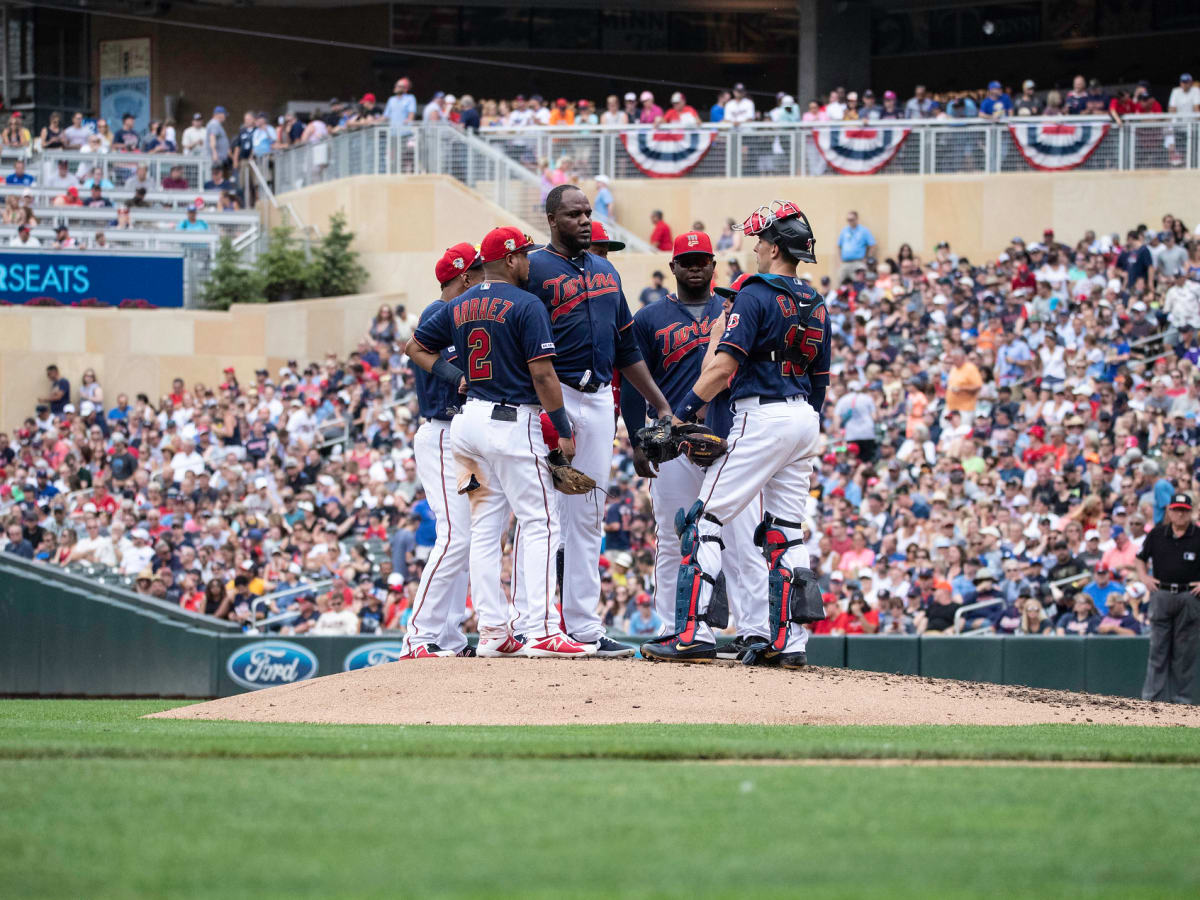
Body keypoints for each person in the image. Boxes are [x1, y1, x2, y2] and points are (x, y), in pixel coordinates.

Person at [642, 200, 828, 666]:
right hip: (804, 416)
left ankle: (690, 635)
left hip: (761, 416)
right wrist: (804, 424)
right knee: (787, 533)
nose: (757, 246)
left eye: (762, 240)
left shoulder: (754, 293)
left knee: (702, 522)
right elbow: (822, 377)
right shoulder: (814, 299)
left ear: (776, 247)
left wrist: (680, 416)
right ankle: (790, 645)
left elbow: (723, 367)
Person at [408, 225, 596, 659]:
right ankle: (544, 629)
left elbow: (414, 346)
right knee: (542, 521)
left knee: (485, 529)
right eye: (525, 255)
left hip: (468, 425)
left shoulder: (458, 304)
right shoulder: (527, 303)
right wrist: (563, 429)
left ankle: (493, 629)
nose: (530, 262)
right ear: (510, 260)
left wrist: (459, 377)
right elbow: (544, 374)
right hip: (511, 423)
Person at [526, 185, 672, 656]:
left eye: (588, 212)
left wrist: (659, 403)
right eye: (574, 214)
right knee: (543, 516)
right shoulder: (533, 268)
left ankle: (584, 629)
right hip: (554, 397)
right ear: (552, 219)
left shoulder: (606, 270)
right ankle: (536, 625)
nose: (585, 220)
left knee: (587, 517)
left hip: (598, 400)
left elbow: (627, 347)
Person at [620, 235, 770, 661]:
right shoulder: (649, 318)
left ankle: (755, 629)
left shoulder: (737, 308)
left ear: (713, 264)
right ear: (673, 266)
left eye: (701, 260)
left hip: (727, 437)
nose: (694, 268)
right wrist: (636, 438)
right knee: (672, 537)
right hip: (672, 442)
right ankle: (675, 627)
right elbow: (632, 380)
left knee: (742, 538)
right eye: (686, 261)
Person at [398, 243, 484, 659]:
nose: (486, 278)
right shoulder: (438, 312)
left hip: (463, 436)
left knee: (466, 540)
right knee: (455, 536)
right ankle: (418, 636)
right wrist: (457, 374)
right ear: (465, 276)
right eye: (480, 271)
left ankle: (448, 637)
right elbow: (417, 353)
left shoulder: (470, 314)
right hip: (441, 433)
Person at [1132, 492, 1200, 703]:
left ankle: (1183, 702)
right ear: (1169, 511)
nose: (1180, 514)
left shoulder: (1198, 535)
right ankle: (1152, 700)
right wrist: (1144, 577)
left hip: (1189, 595)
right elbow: (1140, 559)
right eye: (1176, 510)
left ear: (1191, 513)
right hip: (1161, 593)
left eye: (1184, 511)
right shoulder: (1157, 534)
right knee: (1158, 649)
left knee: (1185, 652)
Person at [836, 210, 876, 286]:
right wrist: (839, 260)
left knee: (859, 283)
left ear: (857, 219)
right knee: (840, 282)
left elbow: (872, 245)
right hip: (845, 263)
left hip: (858, 262)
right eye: (848, 220)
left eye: (852, 219)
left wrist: (867, 258)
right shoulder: (844, 230)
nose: (850, 221)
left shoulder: (864, 231)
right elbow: (839, 246)